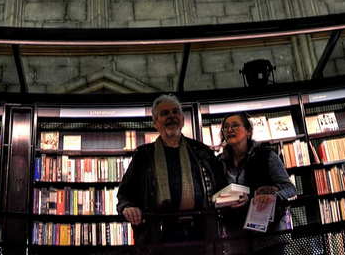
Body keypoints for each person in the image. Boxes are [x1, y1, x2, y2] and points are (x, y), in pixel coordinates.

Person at [119, 93, 221, 244]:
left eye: (175, 112)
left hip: (200, 232)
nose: (171, 116)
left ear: (182, 120)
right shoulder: (143, 156)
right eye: (164, 113)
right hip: (159, 235)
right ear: (155, 123)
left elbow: (220, 183)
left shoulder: (201, 151)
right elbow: (125, 193)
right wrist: (128, 206)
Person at [213, 114, 296, 251]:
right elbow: (215, 194)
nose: (229, 130)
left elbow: (289, 188)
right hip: (236, 239)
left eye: (235, 125)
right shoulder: (219, 163)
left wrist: (273, 196)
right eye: (226, 127)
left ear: (248, 131)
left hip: (269, 236)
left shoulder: (266, 156)